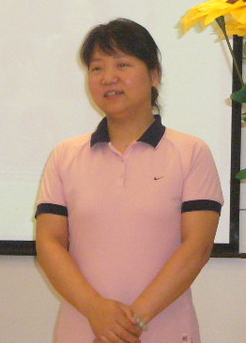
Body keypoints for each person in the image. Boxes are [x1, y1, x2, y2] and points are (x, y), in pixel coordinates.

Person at [35, 18, 223, 342]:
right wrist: (96, 311)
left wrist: (128, 323)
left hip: (164, 330)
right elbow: (49, 243)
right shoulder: (65, 155)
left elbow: (197, 247)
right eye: (97, 68)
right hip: (83, 329)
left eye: (122, 64)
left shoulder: (191, 152)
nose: (108, 77)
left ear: (154, 75)